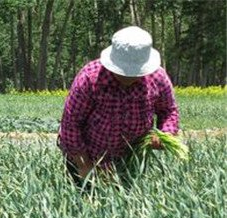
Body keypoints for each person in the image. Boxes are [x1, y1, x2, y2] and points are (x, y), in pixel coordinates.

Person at [58, 26, 179, 188]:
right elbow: (70, 124)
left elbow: (168, 110)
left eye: (135, 73)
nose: (129, 77)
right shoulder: (90, 78)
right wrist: (85, 167)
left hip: (132, 158)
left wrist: (165, 133)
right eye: (123, 72)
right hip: (87, 156)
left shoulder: (157, 78)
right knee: (86, 206)